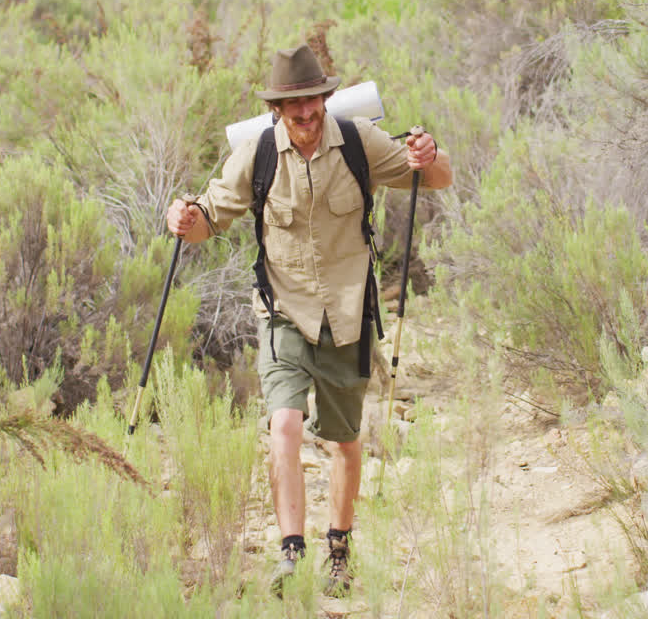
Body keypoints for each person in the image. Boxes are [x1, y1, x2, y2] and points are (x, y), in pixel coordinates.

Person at [165, 44, 452, 596]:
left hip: (347, 313)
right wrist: (183, 218)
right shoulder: (256, 154)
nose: (305, 114)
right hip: (284, 312)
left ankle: (338, 549)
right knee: (285, 425)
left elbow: (435, 177)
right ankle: (291, 553)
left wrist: (429, 154)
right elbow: (207, 221)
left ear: (325, 97)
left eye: (313, 101)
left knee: (344, 441)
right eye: (294, 106)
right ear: (277, 108)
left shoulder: (359, 142)